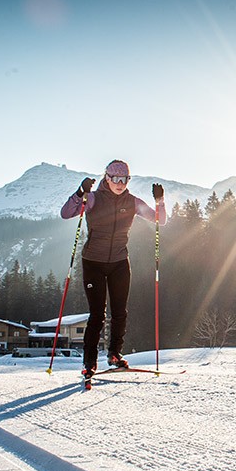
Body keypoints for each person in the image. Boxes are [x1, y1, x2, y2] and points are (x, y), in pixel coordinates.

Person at [60, 160, 166, 380]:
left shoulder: (132, 202)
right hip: (93, 262)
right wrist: (80, 193)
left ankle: (115, 354)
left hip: (119, 262)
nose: (120, 183)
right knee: (97, 315)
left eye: (124, 179)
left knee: (120, 312)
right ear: (106, 178)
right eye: (115, 179)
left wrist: (160, 201)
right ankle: (89, 362)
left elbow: (160, 220)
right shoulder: (93, 198)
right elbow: (66, 213)